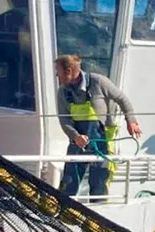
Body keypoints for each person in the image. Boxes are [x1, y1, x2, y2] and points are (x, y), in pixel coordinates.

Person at [55, 54, 142, 197]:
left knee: (100, 183)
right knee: (69, 181)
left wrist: (131, 121)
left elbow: (122, 99)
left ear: (68, 71)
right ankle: (64, 210)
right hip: (77, 144)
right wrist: (76, 136)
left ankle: (99, 212)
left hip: (102, 142)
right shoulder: (63, 92)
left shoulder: (98, 82)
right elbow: (64, 121)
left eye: (57, 72)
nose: (56, 76)